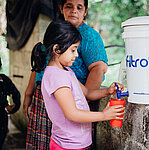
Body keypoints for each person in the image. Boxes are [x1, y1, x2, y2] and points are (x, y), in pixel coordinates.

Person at [23, 0, 108, 149]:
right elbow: (38, 66)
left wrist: (106, 92)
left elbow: (94, 77)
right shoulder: (57, 73)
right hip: (63, 108)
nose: (74, 11)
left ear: (85, 11)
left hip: (70, 102)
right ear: (61, 8)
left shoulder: (68, 70)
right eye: (69, 6)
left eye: (79, 7)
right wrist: (28, 94)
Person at [32, 20, 124, 150]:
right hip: (67, 145)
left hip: (76, 143)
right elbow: (72, 114)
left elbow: (87, 93)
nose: (76, 55)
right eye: (73, 50)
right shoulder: (56, 77)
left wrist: (108, 91)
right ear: (57, 49)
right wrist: (104, 115)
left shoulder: (66, 71)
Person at [0, 57, 21, 150]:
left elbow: (15, 93)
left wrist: (14, 106)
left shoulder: (4, 79)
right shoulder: (3, 79)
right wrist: (7, 106)